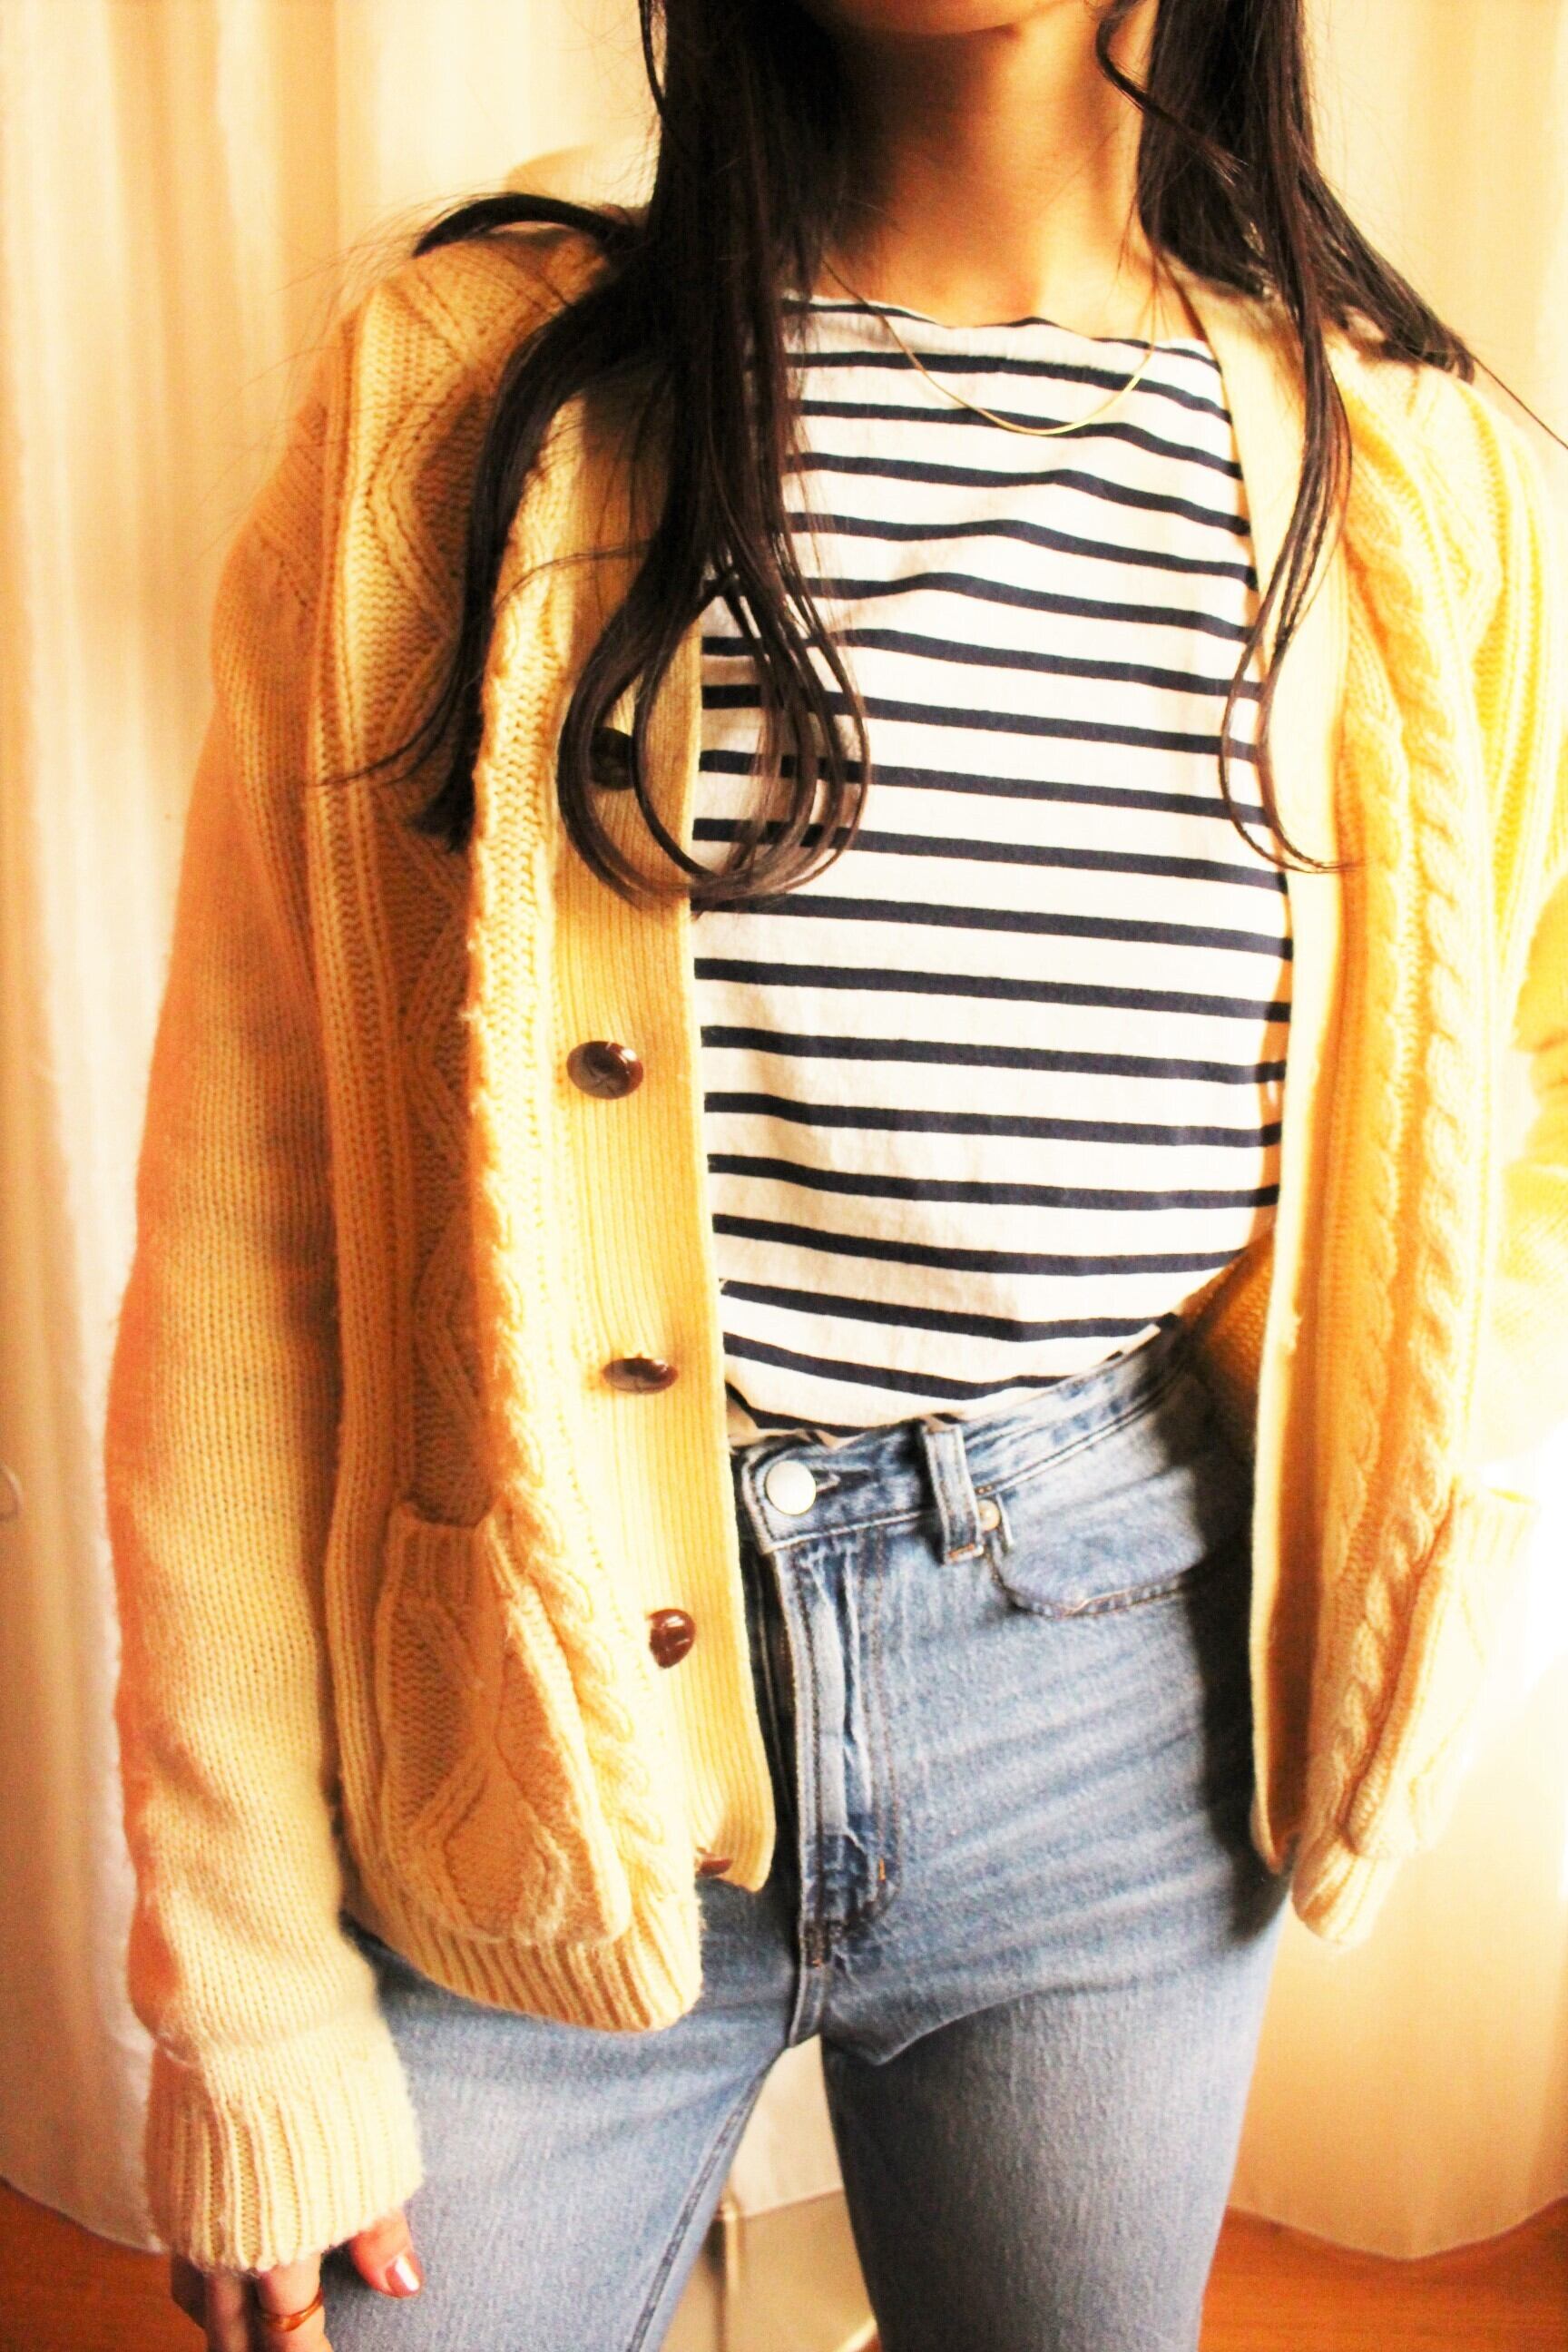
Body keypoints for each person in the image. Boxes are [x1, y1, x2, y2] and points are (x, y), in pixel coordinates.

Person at [102, 3, 1568, 2348]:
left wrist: (1450, 1485)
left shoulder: (1419, 480)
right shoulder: (470, 397)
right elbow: (247, 1220)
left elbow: (1519, 1081)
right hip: (521, 1715)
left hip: (1114, 1706)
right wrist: (248, 1983)